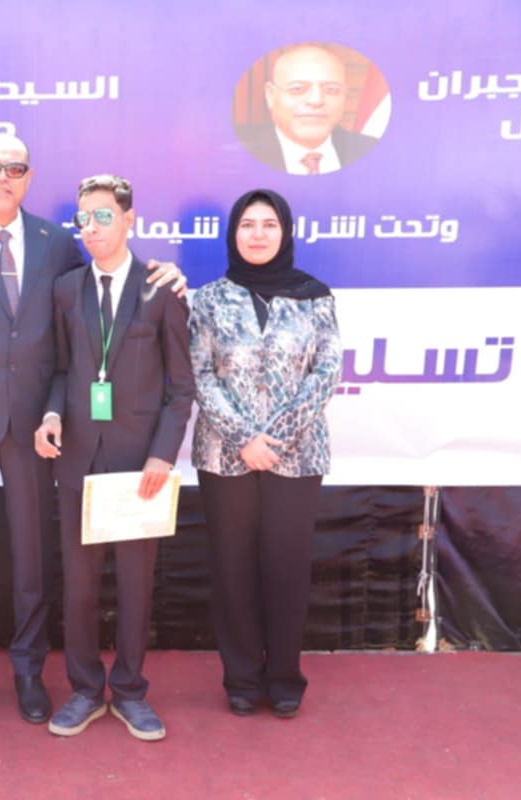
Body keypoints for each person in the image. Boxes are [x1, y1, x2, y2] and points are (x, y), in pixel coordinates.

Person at [0, 135, 185, 726]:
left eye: (13, 169)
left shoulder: (58, 243)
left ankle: (30, 673)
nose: (1, 177)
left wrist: (167, 272)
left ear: (29, 178)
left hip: (37, 427)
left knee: (32, 557)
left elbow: (97, 303)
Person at [34, 174, 194, 741]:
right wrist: (51, 415)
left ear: (129, 220)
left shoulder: (161, 290)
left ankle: (129, 690)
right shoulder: (65, 290)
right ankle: (83, 689)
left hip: (139, 467)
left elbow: (181, 387)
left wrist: (161, 456)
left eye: (104, 216)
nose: (92, 227)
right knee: (78, 586)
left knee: (134, 585)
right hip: (78, 461)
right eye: (84, 218)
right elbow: (59, 370)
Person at [189, 188, 341, 719]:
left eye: (268, 224)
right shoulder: (209, 299)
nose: (257, 234)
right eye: (247, 225)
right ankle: (241, 679)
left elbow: (326, 372)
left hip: (296, 457)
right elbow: (199, 374)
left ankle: (283, 679)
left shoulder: (315, 297)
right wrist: (243, 439)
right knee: (232, 568)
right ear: (233, 234)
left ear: (285, 232)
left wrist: (276, 437)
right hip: (224, 456)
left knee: (286, 568)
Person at [237, 44, 377, 175]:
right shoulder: (239, 150)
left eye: (331, 89)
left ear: (344, 96)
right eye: (298, 89)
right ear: (271, 95)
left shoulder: (371, 150)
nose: (316, 100)